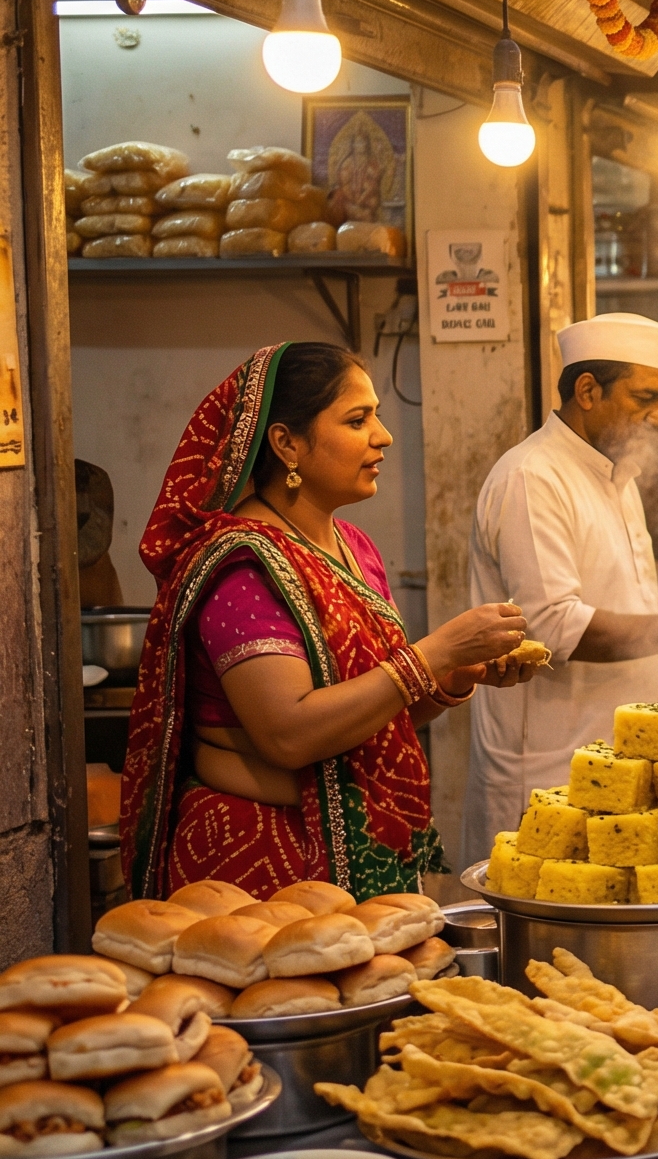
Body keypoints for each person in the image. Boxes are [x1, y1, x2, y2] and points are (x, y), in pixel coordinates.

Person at [126, 344, 536, 897]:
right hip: (259, 862)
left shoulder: (354, 548)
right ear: (286, 442)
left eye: (378, 416)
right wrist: (433, 654)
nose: (383, 436)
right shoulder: (243, 565)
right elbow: (289, 734)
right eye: (357, 419)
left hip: (354, 849)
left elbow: (368, 718)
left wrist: (452, 677)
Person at [466, 314, 658, 860]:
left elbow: (631, 602)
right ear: (587, 390)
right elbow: (556, 626)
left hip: (615, 768)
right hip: (550, 771)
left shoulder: (616, 476)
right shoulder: (533, 477)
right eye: (645, 398)